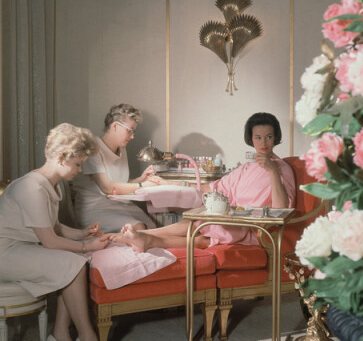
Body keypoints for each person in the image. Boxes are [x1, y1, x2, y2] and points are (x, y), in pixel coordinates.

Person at [110, 112, 296, 252]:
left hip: (255, 229)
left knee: (200, 226)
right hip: (235, 223)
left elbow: (281, 210)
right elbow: (210, 188)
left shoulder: (282, 168)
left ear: (276, 138)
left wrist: (272, 170)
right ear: (251, 139)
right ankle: (144, 238)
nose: (263, 142)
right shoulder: (246, 168)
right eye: (258, 137)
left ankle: (142, 236)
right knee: (199, 230)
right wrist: (167, 183)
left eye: (269, 137)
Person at [0, 123, 110, 341]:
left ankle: (60, 334)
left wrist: (82, 234)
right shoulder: (31, 187)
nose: (80, 170)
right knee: (73, 263)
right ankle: (86, 335)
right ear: (61, 158)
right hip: (5, 254)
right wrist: (87, 246)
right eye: (77, 164)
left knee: (72, 261)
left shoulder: (53, 184)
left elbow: (53, 226)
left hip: (20, 249)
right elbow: (50, 240)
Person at [73, 103, 160, 233]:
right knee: (139, 229)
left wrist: (140, 179)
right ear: (115, 126)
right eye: (129, 130)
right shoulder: (93, 148)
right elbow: (107, 188)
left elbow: (120, 185)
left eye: (133, 131)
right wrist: (143, 185)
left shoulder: (121, 149)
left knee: (152, 228)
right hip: (96, 208)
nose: (132, 136)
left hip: (119, 205)